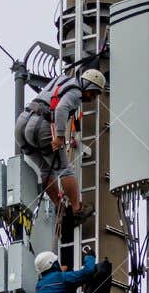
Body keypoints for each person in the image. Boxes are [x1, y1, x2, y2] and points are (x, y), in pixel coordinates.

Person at [14, 68, 106, 220]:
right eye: (94, 93)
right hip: (40, 126)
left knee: (46, 169)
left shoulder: (62, 79)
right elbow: (61, 108)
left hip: (22, 124)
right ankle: (77, 210)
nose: (92, 98)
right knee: (64, 170)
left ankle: (59, 206)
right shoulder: (76, 92)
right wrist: (60, 136)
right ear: (88, 85)